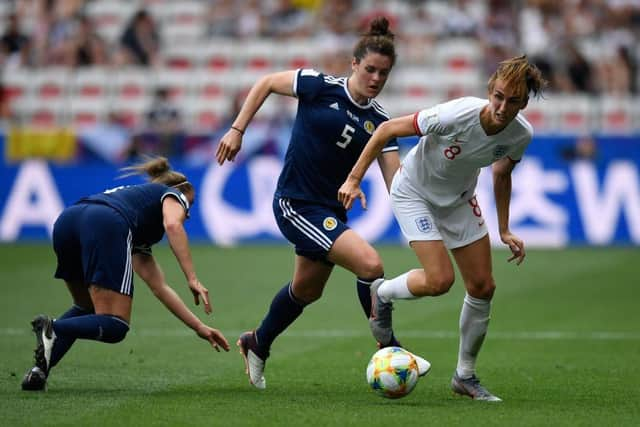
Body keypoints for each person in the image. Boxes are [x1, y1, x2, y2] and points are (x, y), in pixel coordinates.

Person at [215, 16, 429, 390]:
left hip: (329, 211)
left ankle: (257, 342)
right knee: (370, 263)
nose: (376, 79)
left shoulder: (380, 121)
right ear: (354, 65)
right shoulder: (320, 87)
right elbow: (266, 83)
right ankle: (391, 348)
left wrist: (420, 208)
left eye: (384, 73)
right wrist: (237, 130)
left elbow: (395, 180)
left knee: (307, 290)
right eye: (370, 69)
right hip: (295, 204)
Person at [338, 55, 547, 402]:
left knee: (483, 286)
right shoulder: (458, 114)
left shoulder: (521, 134)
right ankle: (383, 293)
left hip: (459, 200)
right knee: (440, 281)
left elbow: (502, 173)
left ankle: (465, 376)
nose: (501, 106)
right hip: (414, 193)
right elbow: (388, 130)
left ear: (524, 102)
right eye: (497, 96)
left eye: (512, 101)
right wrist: (353, 178)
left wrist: (505, 229)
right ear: (489, 90)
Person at [21, 157, 230, 391]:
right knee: (115, 326)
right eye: (189, 206)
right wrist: (192, 278)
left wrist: (199, 328)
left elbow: (160, 287)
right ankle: (54, 328)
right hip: (105, 222)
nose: (187, 214)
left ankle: (38, 372)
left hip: (68, 221)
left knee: (85, 308)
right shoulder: (172, 193)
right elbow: (174, 226)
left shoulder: (139, 214)